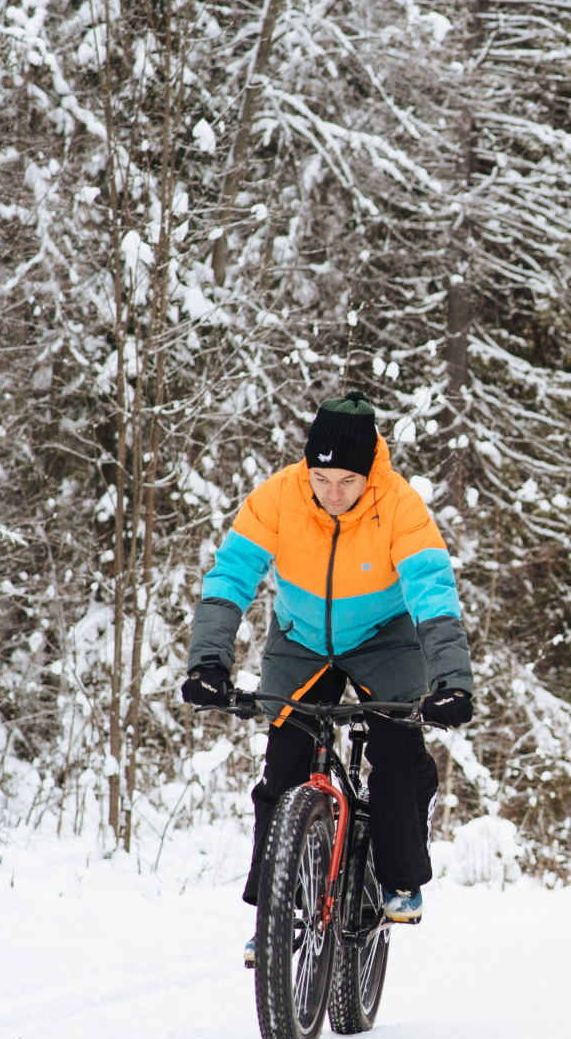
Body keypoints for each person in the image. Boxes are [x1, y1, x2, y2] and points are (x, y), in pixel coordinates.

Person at [180, 392, 474, 966]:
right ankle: (276, 915)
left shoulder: (400, 506)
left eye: (347, 480)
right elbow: (233, 574)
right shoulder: (279, 497)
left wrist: (452, 682)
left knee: (396, 748)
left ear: (369, 473)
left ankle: (398, 879)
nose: (333, 493)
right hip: (301, 639)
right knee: (284, 762)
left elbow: (432, 594)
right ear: (306, 469)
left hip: (384, 638)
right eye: (322, 477)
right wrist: (208, 663)